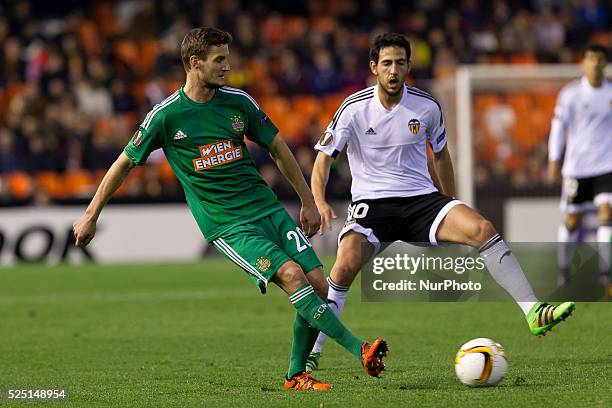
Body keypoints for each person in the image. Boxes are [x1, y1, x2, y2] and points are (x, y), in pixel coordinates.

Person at [72, 27, 388, 391]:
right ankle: (359, 348)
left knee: (319, 285)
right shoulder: (166, 116)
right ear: (195, 63)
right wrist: (91, 214)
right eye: (219, 59)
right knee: (291, 275)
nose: (227, 66)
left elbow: (278, 149)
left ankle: (296, 375)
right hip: (229, 225)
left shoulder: (239, 102)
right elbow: (124, 163)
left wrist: (307, 201)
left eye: (227, 58)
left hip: (267, 209)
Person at [306, 33, 575, 372]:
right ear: (374, 67)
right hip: (372, 205)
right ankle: (313, 350)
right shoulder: (353, 108)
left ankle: (534, 311)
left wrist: (449, 202)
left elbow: (442, 156)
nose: (393, 70)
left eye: (400, 63)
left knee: (482, 228)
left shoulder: (426, 106)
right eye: (386, 63)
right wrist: (318, 200)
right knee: (343, 267)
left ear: (408, 66)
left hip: (421, 200)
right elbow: (323, 159)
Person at [548, 44, 611, 291]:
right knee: (573, 220)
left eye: (600, 59)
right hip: (577, 169)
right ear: (583, 63)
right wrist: (555, 159)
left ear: (605, 63)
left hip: (607, 166)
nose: (595, 63)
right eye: (591, 58)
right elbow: (558, 129)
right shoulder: (570, 94)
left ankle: (606, 275)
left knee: (607, 213)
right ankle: (564, 270)